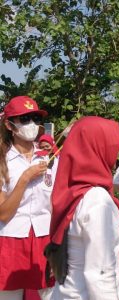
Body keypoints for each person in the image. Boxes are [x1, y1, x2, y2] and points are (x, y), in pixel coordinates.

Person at [49, 116, 119, 300]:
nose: (116, 151)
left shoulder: (75, 191)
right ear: (98, 148)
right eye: (112, 145)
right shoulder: (98, 201)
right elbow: (100, 275)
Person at [0, 96, 56, 300]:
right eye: (24, 119)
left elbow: (55, 204)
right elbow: (4, 214)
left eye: (34, 117)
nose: (31, 124)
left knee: (51, 296)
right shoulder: (2, 161)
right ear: (9, 124)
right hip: (11, 238)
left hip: (44, 238)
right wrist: (25, 178)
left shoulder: (49, 159)